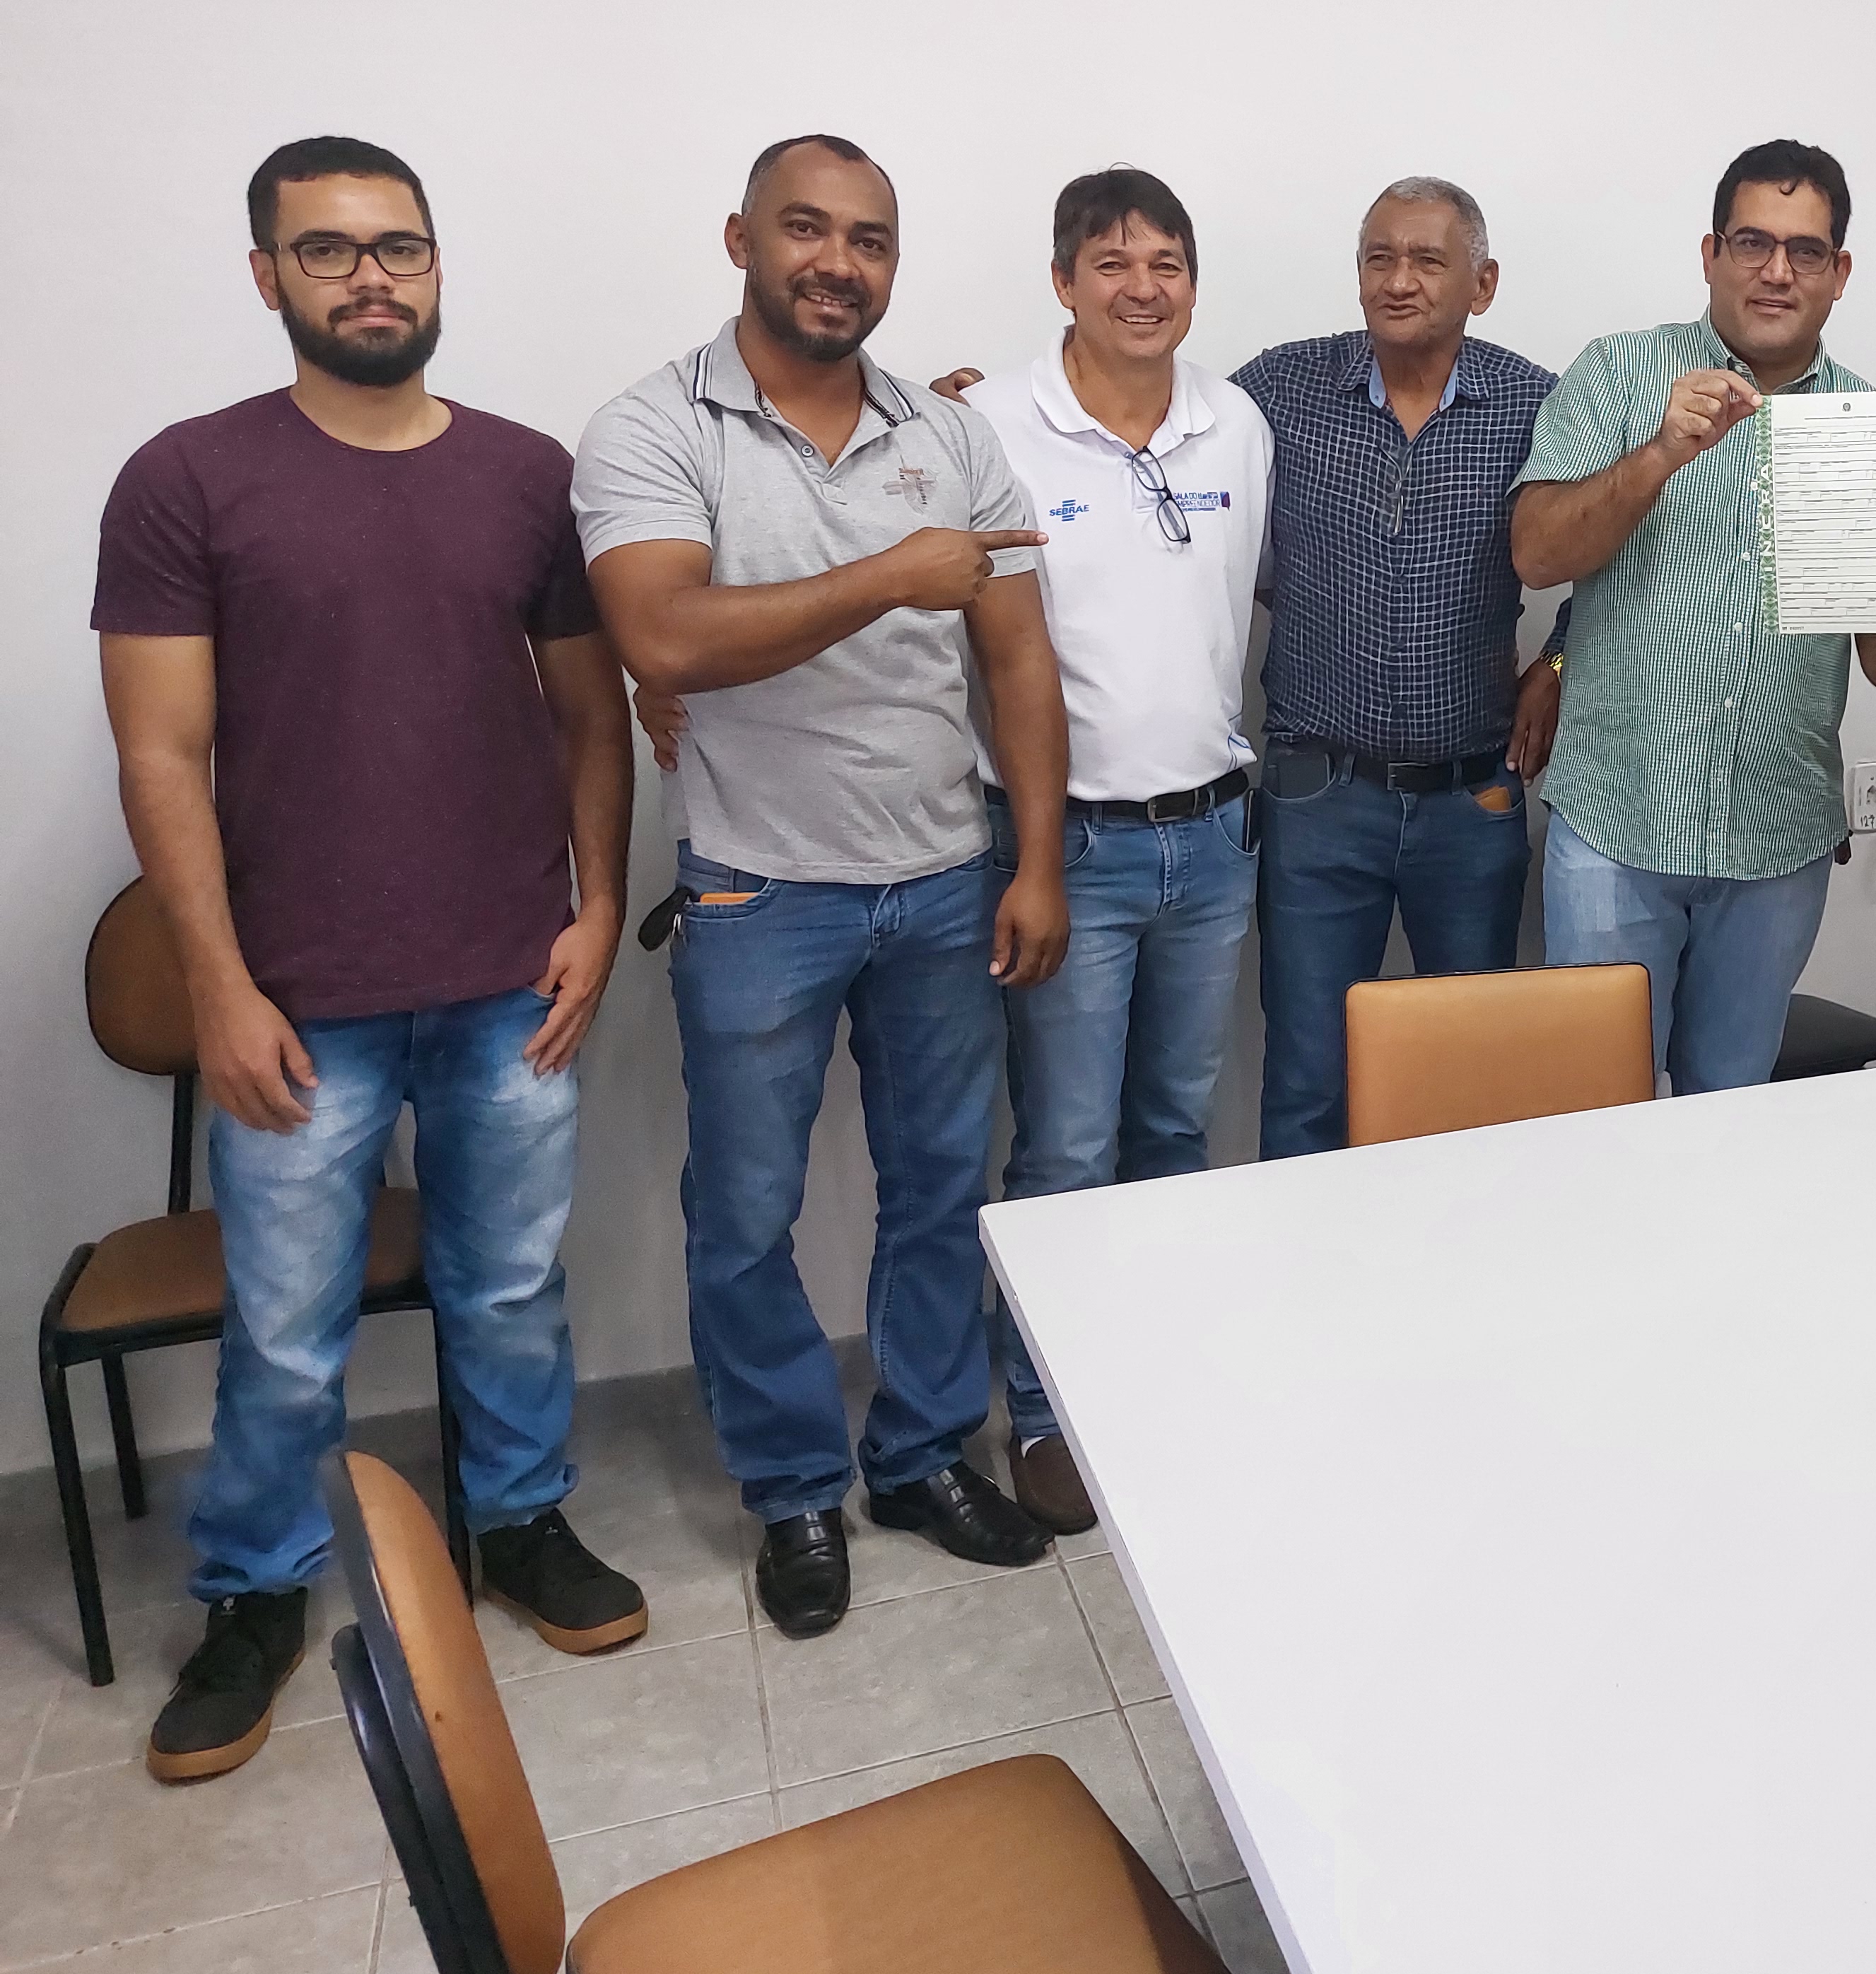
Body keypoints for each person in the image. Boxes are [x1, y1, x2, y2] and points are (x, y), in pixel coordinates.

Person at [95, 137, 643, 1783]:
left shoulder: (528, 475)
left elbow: (589, 714)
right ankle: (255, 1595)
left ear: (437, 266)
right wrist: (215, 984)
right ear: (267, 276)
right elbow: (160, 756)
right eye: (327, 250)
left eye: (397, 246)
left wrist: (599, 904)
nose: (369, 277)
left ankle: (521, 1521)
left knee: (510, 1285)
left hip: (506, 977)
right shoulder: (187, 478)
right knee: (283, 1328)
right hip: (296, 999)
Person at [573, 136, 1072, 1640]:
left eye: (869, 240)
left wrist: (1037, 858)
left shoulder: (947, 434)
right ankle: (793, 1488)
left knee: (940, 1192)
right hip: (755, 895)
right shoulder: (652, 427)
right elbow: (664, 638)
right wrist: (888, 575)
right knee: (743, 1215)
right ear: (741, 239)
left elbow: (1017, 661)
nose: (837, 263)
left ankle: (918, 1458)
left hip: (943, 882)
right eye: (806, 228)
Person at [960, 168, 1272, 1532]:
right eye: (1110, 262)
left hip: (1210, 839)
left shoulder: (1234, 423)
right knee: (1066, 1146)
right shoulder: (989, 425)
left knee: (1172, 1131)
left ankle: (1154, 1381)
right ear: (1061, 280)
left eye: (1166, 264)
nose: (1141, 288)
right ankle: (1045, 1410)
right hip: (1065, 848)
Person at [1511, 140, 1876, 1091]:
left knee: (1732, 1118)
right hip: (1616, 828)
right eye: (1753, 242)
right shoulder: (1619, 372)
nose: (1776, 270)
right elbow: (1537, 555)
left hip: (1775, 843)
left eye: (1805, 250)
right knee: (1595, 1116)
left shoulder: (1867, 424)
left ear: (1840, 272)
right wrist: (1659, 455)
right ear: (1711, 253)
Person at [1234, 180, 1566, 1158]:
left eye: (1426, 260)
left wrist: (1558, 658)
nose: (1398, 280)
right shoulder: (1280, 388)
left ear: (1482, 284)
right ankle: (1305, 1254)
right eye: (1379, 258)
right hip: (1316, 797)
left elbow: (1623, 544)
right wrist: (986, 408)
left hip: (1473, 803)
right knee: (1307, 1078)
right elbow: (1160, 440)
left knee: (1466, 1083)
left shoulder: (1535, 403)